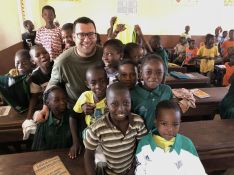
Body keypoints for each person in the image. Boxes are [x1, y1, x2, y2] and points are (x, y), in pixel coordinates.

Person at [34, 17, 103, 159]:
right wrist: (45, 108)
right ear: (73, 37)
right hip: (75, 115)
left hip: (104, 113)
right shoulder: (63, 61)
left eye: (91, 34)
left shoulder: (104, 55)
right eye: (81, 35)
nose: (87, 39)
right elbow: (52, 85)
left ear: (96, 35)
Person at [83, 82, 147, 175]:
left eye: (126, 103)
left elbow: (142, 148)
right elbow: (88, 154)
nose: (121, 109)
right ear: (106, 104)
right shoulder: (97, 128)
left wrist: (134, 168)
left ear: (131, 102)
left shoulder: (138, 122)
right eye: (114, 104)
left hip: (132, 170)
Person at [135, 100, 207, 175]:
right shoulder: (144, 144)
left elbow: (197, 171)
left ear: (180, 123)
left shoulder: (186, 145)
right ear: (156, 123)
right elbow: (140, 169)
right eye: (164, 123)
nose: (170, 129)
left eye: (175, 124)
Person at [131, 54, 173, 131]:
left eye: (159, 72)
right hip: (142, 139)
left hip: (162, 136)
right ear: (141, 74)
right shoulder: (132, 95)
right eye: (148, 72)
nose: (154, 76)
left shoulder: (167, 91)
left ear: (163, 74)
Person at [32, 86, 72, 151]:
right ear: (48, 103)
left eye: (64, 99)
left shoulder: (73, 118)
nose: (62, 102)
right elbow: (38, 149)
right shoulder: (43, 121)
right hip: (50, 158)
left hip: (70, 156)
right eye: (57, 100)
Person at [27, 45, 53, 119]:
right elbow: (34, 96)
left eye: (45, 53)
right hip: (48, 104)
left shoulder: (57, 66)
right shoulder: (35, 76)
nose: (42, 56)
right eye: (37, 55)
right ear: (33, 61)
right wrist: (29, 116)